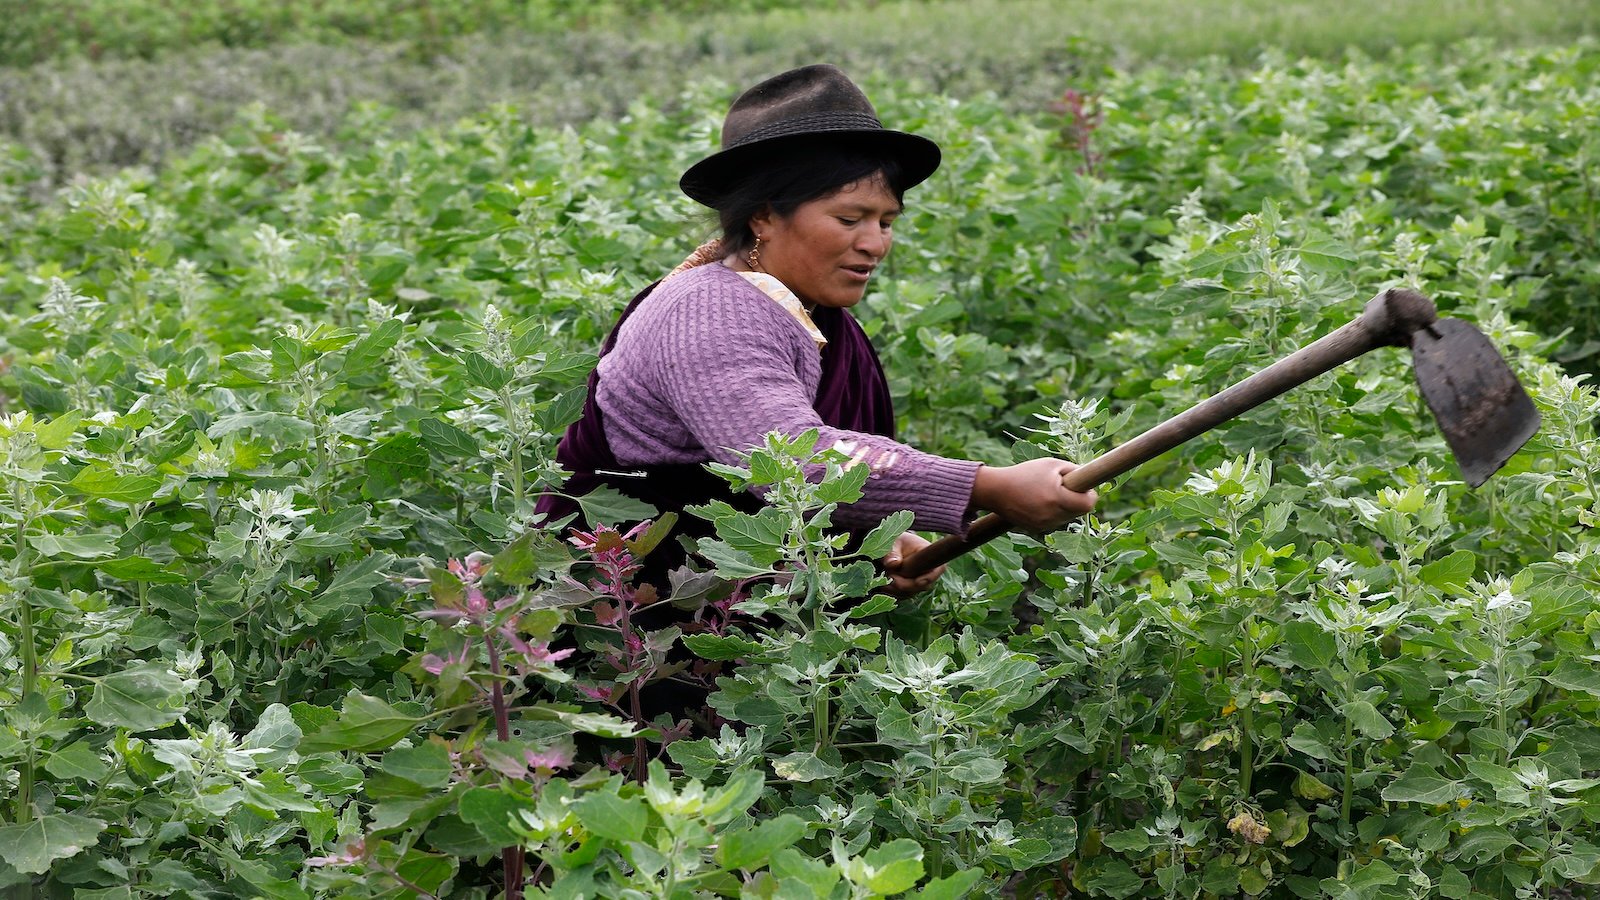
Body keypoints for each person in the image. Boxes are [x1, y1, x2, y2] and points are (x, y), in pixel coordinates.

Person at [536, 64, 1097, 595]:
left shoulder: (805, 308)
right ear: (763, 215)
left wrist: (869, 540)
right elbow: (789, 463)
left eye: (886, 222)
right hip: (635, 628)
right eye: (849, 219)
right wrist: (987, 486)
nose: (874, 243)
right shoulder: (707, 312)